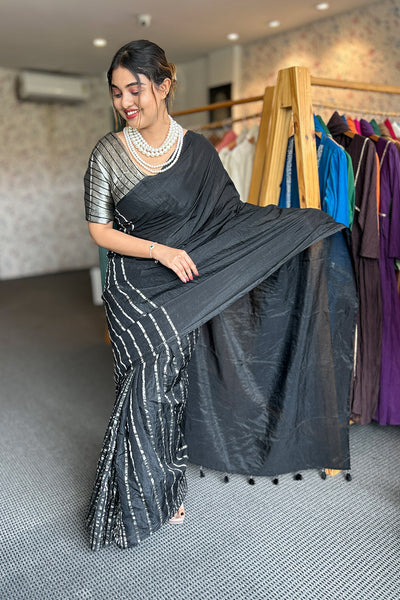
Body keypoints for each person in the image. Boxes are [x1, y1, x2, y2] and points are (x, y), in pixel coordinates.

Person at [84, 40, 357, 550]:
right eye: (117, 92)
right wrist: (160, 251)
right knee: (146, 382)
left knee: (169, 383)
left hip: (183, 280)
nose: (126, 102)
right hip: (133, 281)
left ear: (164, 86)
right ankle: (143, 497)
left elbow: (228, 218)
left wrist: (301, 227)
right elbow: (100, 230)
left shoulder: (198, 152)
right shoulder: (108, 153)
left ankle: (166, 486)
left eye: (135, 90)